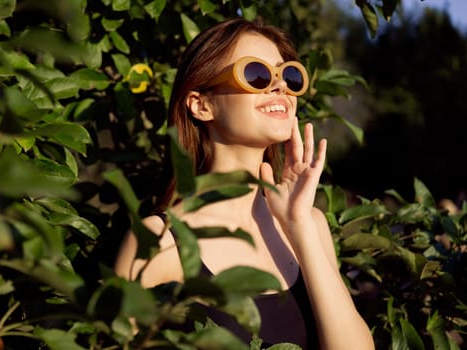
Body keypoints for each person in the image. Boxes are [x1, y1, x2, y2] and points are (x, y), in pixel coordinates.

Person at [115, 17, 375, 349]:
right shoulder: (158, 242)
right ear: (201, 104)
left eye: (289, 76)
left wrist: (299, 227)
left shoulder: (310, 225)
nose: (280, 86)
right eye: (257, 74)